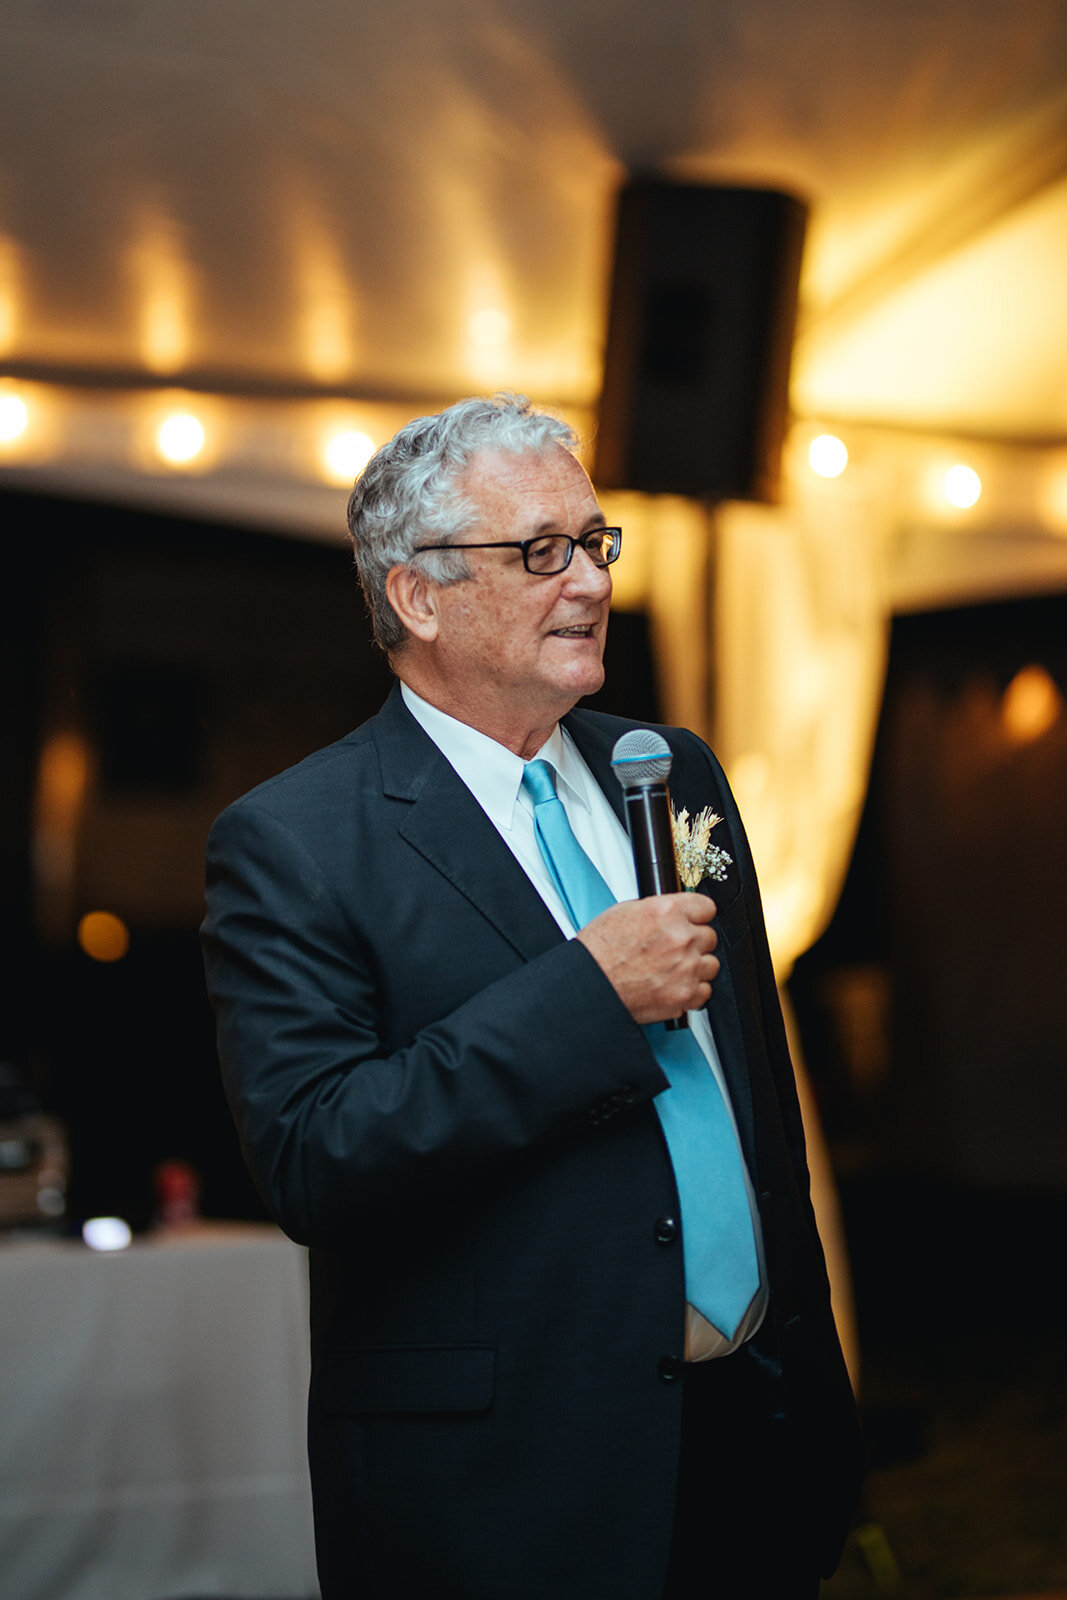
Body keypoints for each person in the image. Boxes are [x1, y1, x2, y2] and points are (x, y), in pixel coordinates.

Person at [201, 394, 862, 1600]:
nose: (590, 583)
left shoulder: (666, 770)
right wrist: (587, 999)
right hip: (510, 1486)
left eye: (594, 543)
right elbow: (315, 1154)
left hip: (749, 1440)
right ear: (417, 595)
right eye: (539, 552)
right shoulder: (297, 840)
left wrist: (811, 1383)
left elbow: (756, 1099)